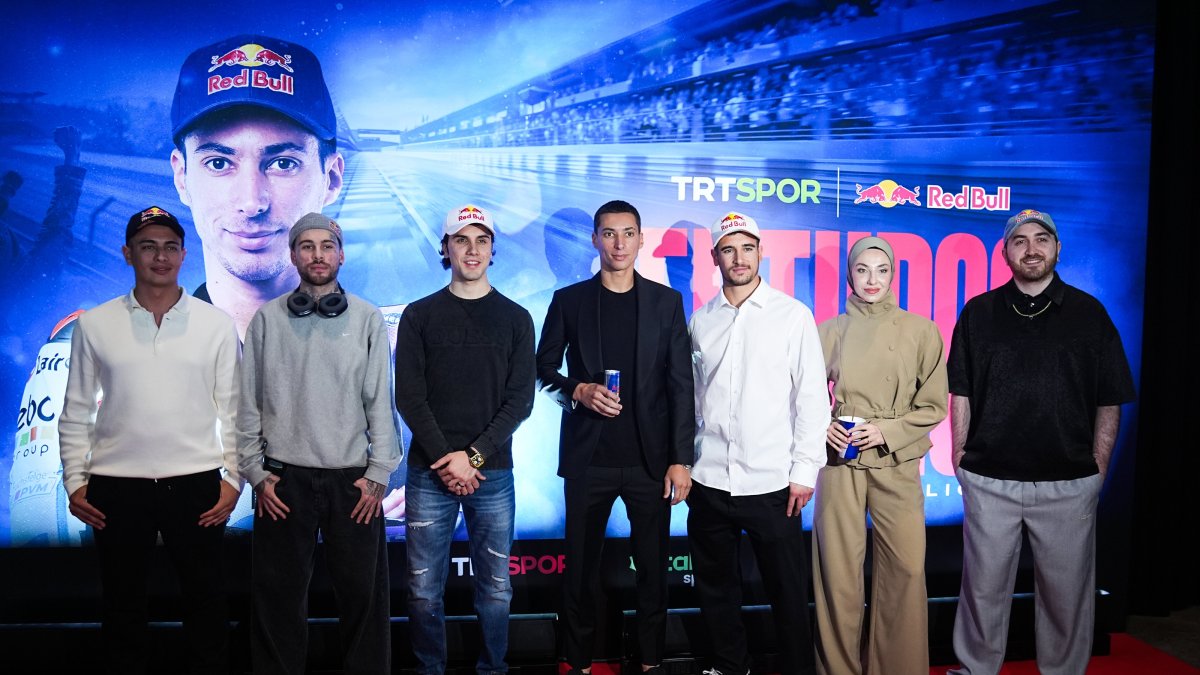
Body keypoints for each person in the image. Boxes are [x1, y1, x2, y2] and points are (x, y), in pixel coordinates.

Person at [947, 209, 1135, 675]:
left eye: (1041, 239)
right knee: (982, 592)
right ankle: (975, 670)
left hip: (1069, 481)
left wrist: (1098, 468)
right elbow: (962, 391)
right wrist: (960, 457)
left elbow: (1110, 398)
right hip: (991, 477)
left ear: (1057, 248)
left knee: (1066, 596)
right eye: (1019, 241)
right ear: (1006, 252)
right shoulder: (979, 313)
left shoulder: (1090, 314)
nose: (1031, 249)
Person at [58, 206, 241, 674]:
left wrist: (234, 479)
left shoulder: (215, 324)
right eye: (147, 246)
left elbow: (236, 409)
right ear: (127, 254)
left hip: (196, 484)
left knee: (206, 606)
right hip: (117, 487)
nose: (160, 257)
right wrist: (75, 481)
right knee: (122, 608)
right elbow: (76, 409)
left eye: (169, 247)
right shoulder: (96, 324)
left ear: (183, 254)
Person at [237, 212, 400, 674]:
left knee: (365, 605)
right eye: (306, 246)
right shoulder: (267, 320)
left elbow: (379, 405)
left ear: (341, 254)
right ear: (293, 255)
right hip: (282, 482)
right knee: (276, 605)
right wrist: (254, 473)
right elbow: (248, 404)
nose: (318, 255)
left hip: (353, 484)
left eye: (326, 246)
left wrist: (378, 476)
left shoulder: (367, 317)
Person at [536, 199, 694, 674]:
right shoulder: (570, 301)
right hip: (589, 460)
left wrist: (680, 459)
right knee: (580, 571)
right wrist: (577, 390)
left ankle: (649, 661)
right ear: (595, 240)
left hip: (650, 461)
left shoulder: (667, 303)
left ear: (641, 240)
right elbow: (542, 371)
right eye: (609, 233)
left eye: (628, 233)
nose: (619, 243)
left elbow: (680, 385)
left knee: (652, 570)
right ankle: (578, 661)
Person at [396, 204, 536, 675]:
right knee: (420, 587)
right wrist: (448, 459)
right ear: (446, 248)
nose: (472, 250)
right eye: (462, 240)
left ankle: (492, 669)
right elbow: (409, 399)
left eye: (481, 240)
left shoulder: (516, 319)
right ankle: (429, 668)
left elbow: (520, 402)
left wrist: (472, 457)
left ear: (493, 250)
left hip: (492, 473)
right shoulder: (419, 315)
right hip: (428, 473)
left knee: (496, 588)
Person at [688, 212, 827, 675]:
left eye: (747, 248)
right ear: (715, 257)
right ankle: (730, 666)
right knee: (715, 589)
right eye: (729, 249)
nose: (739, 258)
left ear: (761, 252)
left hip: (772, 484)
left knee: (787, 592)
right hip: (708, 479)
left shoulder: (793, 315)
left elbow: (812, 400)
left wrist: (804, 473)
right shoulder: (701, 321)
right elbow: (691, 400)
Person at [811, 236, 948, 675]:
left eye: (882, 270)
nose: (872, 279)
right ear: (850, 275)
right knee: (837, 577)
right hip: (840, 463)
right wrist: (823, 426)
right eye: (862, 270)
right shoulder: (829, 330)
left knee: (906, 573)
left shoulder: (921, 329)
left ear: (893, 274)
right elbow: (804, 398)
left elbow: (933, 406)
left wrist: (886, 431)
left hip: (898, 460)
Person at [169, 34, 344, 340]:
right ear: (182, 178)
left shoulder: (393, 358)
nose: (251, 202)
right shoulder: (116, 362)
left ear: (331, 179)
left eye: (283, 164)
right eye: (219, 163)